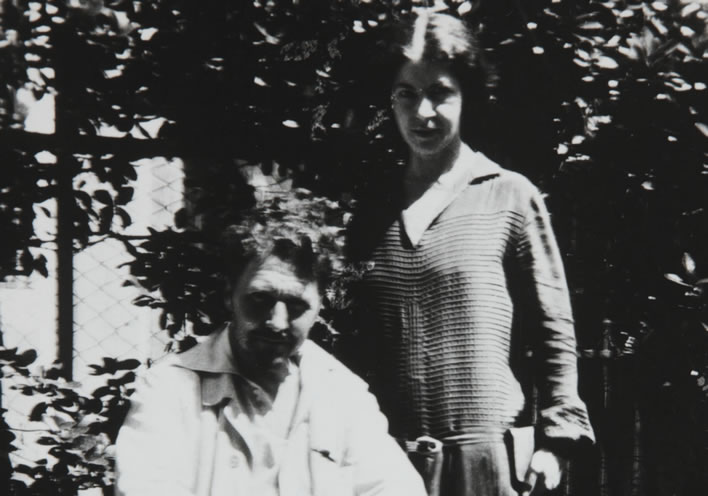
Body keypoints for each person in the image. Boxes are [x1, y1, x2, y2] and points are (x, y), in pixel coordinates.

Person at [347, 9, 595, 496]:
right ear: (390, 101)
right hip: (384, 463)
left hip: (486, 462)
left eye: (440, 93)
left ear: (466, 97)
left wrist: (555, 438)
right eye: (407, 94)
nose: (423, 113)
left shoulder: (509, 195)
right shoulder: (372, 208)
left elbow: (553, 329)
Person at [115, 232, 427, 496]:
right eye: (260, 299)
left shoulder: (342, 394)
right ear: (229, 295)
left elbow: (392, 488)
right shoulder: (170, 389)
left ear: (320, 307)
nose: (277, 322)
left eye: (296, 306)